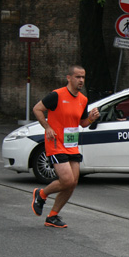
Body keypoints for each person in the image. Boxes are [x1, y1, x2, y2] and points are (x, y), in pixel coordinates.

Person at [30, 65, 100, 228]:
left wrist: (91, 119)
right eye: (77, 77)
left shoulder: (83, 100)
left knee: (73, 182)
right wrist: (47, 127)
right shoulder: (57, 95)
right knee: (67, 179)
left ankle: (52, 216)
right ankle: (41, 194)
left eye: (83, 77)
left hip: (71, 145)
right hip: (56, 143)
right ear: (69, 78)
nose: (81, 80)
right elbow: (37, 109)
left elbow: (81, 123)